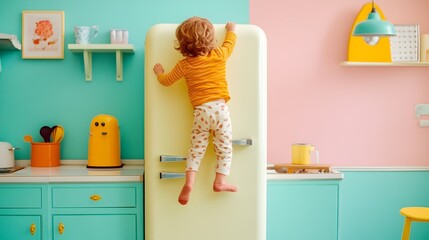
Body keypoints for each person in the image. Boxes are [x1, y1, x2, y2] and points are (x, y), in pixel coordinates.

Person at [153, 16, 237, 205]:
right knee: (224, 149)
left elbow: (166, 81)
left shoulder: (185, 65)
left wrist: (159, 73)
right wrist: (231, 30)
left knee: (196, 150)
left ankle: (189, 181)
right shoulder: (219, 55)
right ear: (211, 39)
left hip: (201, 111)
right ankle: (220, 182)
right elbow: (230, 44)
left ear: (183, 44)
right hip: (220, 110)